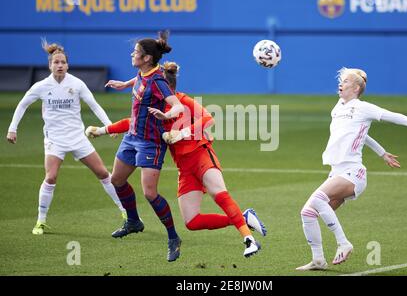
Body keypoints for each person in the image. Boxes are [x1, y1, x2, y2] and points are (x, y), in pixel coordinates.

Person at [86, 61, 267, 258]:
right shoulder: (154, 107)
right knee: (192, 222)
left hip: (200, 154)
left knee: (219, 194)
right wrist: (104, 130)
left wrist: (182, 134)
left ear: (167, 89)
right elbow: (132, 123)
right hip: (184, 167)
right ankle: (243, 218)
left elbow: (209, 119)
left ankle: (249, 240)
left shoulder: (182, 101)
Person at [295, 67, 407, 271]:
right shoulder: (338, 108)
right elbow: (361, 134)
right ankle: (318, 260)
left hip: (353, 173)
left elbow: (394, 116)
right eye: (341, 80)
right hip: (337, 172)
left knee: (317, 199)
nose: (341, 83)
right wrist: (382, 152)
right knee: (308, 213)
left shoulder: (363, 107)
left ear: (356, 88)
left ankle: (344, 243)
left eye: (346, 81)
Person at [6, 40, 126, 235]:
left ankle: (125, 212)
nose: (60, 65)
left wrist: (109, 127)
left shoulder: (76, 84)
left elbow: (94, 105)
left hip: (77, 137)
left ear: (67, 65)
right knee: (51, 177)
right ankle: (41, 221)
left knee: (103, 173)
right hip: (55, 139)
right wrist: (13, 128)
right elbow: (22, 104)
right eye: (56, 62)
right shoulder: (42, 86)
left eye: (63, 62)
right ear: (50, 65)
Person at [102, 32, 185, 262]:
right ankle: (133, 222)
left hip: (151, 142)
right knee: (116, 180)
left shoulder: (159, 81)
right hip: (131, 138)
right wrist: (124, 84)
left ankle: (173, 237)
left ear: (147, 58)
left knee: (149, 193)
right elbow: (140, 80)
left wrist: (165, 114)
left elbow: (178, 107)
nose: (132, 54)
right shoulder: (143, 72)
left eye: (136, 52)